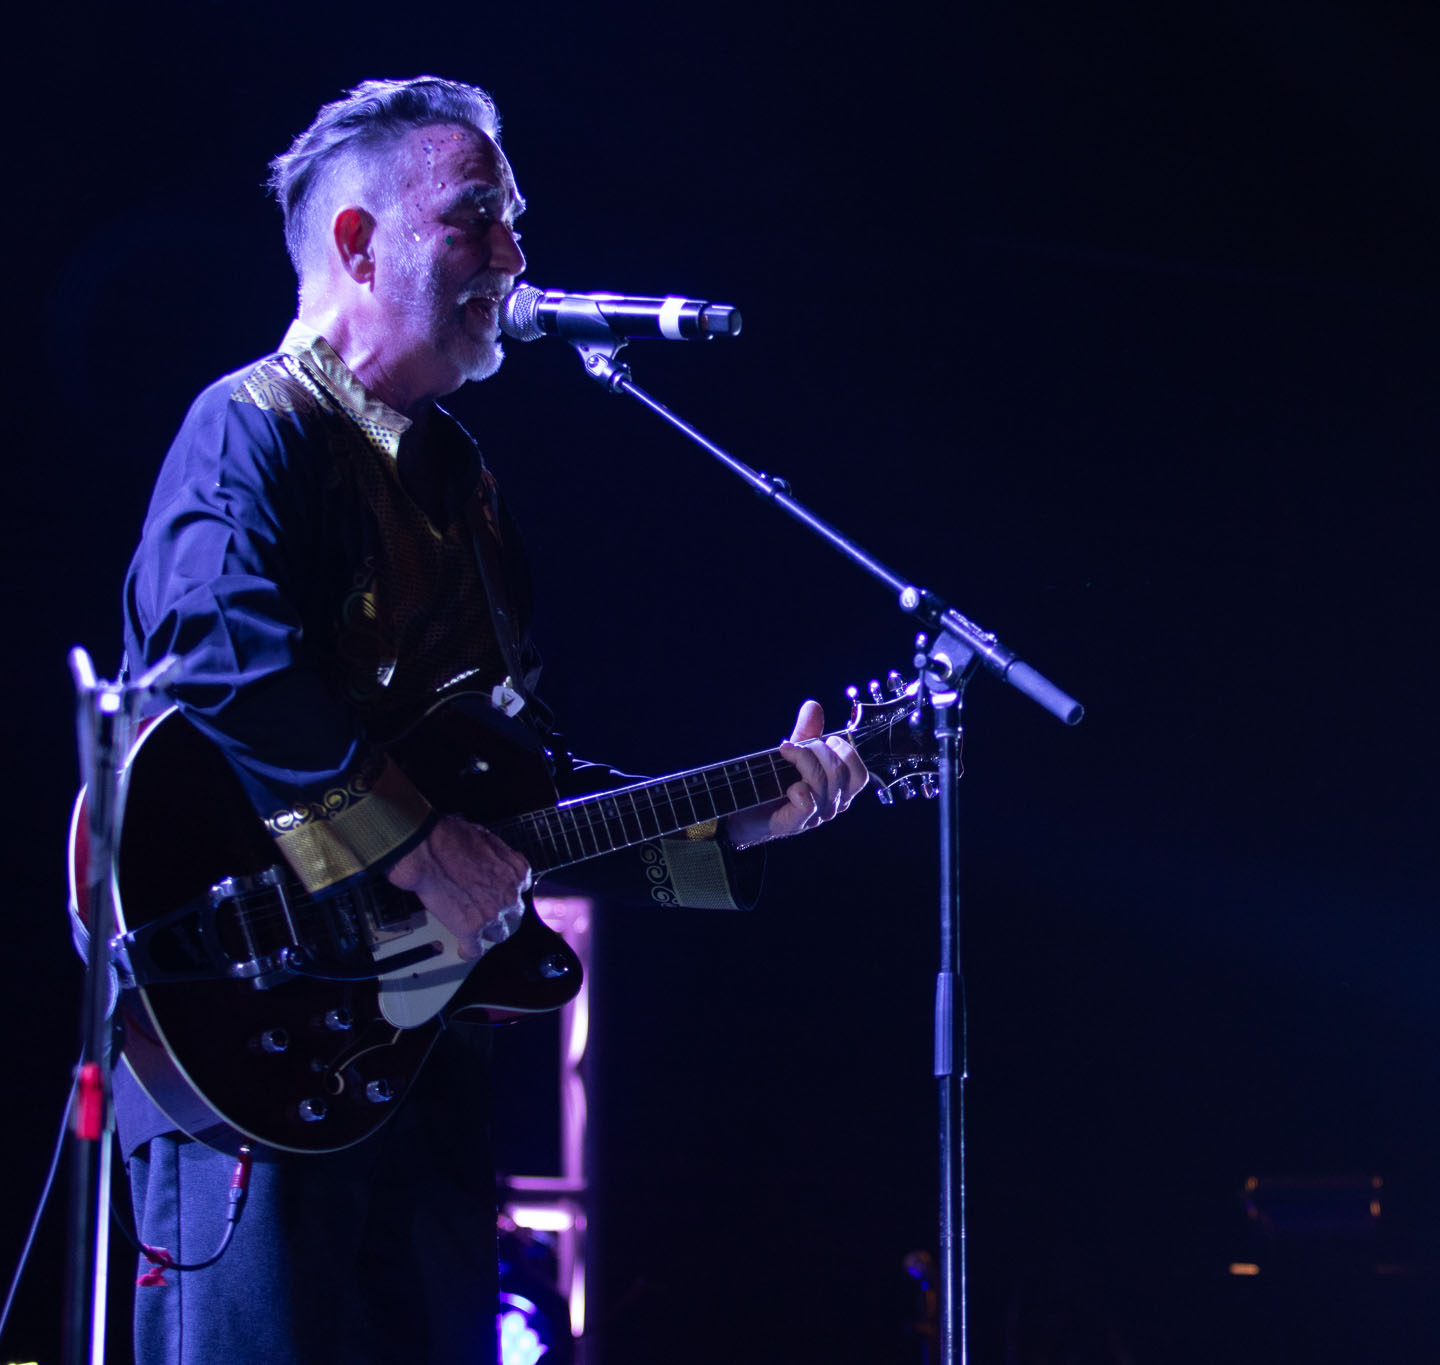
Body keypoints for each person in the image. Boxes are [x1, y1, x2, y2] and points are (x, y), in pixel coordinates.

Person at [115, 76, 866, 1364]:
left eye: (517, 224)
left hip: (415, 1055)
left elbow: (522, 793)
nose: (515, 256)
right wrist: (415, 847)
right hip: (244, 1021)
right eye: (476, 218)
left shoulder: (461, 479)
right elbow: (223, 662)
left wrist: (737, 822)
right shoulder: (250, 425)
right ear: (359, 242)